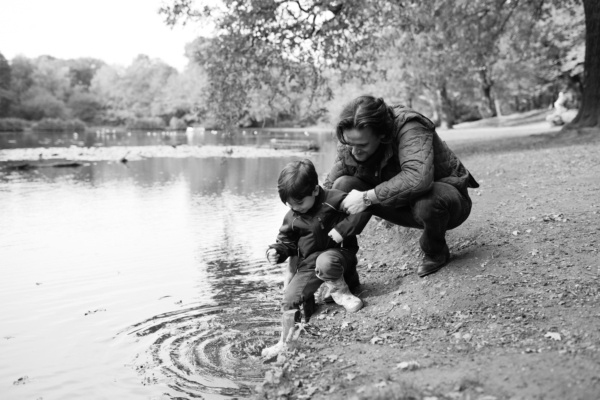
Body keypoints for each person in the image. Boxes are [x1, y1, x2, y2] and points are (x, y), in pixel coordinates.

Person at [324, 95, 479, 277]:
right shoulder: (350, 142)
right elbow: (326, 192)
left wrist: (366, 197)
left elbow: (418, 178)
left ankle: (435, 251)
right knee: (342, 185)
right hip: (396, 202)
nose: (354, 151)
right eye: (349, 143)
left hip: (446, 203)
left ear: (381, 134)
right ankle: (342, 269)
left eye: (362, 145)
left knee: (428, 200)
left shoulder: (410, 126)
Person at [262, 159, 371, 358]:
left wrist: (342, 230)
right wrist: (277, 251)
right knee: (289, 299)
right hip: (310, 263)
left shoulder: (334, 199)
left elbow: (363, 210)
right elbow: (287, 241)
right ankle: (285, 341)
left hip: (340, 254)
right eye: (289, 204)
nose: (295, 208)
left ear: (314, 190)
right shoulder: (292, 216)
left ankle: (343, 292)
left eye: (299, 203)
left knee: (326, 262)